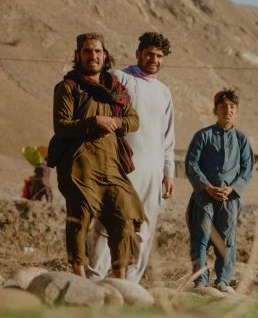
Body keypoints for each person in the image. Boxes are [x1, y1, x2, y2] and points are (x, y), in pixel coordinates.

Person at [50, 32, 144, 278]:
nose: (93, 56)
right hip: (79, 164)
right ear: (78, 55)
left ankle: (119, 278)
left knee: (124, 215)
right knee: (79, 217)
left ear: (105, 55)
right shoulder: (68, 88)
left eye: (97, 51)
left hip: (111, 165)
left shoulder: (115, 88)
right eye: (87, 51)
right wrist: (93, 122)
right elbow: (61, 126)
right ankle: (79, 276)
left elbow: (133, 120)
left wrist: (114, 121)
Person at [85, 32, 175, 283]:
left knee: (144, 228)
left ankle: (129, 283)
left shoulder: (164, 92)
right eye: (149, 53)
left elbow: (168, 137)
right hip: (120, 165)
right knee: (108, 222)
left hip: (153, 171)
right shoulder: (118, 78)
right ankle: (93, 278)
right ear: (138, 54)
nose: (153, 59)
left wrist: (169, 173)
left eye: (159, 56)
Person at [185, 88, 254, 293]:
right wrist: (207, 187)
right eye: (223, 107)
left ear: (237, 111)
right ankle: (200, 280)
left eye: (232, 107)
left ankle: (223, 280)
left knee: (227, 239)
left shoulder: (241, 139)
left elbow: (247, 169)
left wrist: (232, 189)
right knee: (201, 237)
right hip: (204, 196)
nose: (228, 110)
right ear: (215, 110)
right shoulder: (203, 136)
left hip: (230, 199)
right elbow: (192, 164)